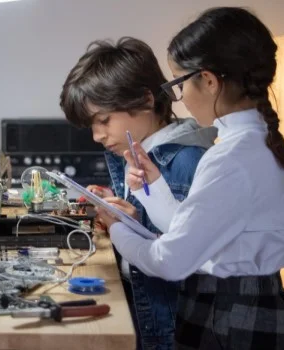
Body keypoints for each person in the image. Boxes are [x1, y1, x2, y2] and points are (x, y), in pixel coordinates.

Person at [99, 7, 284, 349]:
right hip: (249, 311)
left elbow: (170, 261)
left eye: (179, 84)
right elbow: (198, 232)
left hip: (231, 320)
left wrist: (116, 227)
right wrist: (155, 189)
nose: (180, 99)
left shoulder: (231, 157)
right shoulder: (253, 143)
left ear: (208, 81)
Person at [59, 37, 217, 349]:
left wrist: (135, 228)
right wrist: (119, 208)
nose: (97, 135)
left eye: (103, 120)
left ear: (146, 100)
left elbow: (195, 262)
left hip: (173, 330)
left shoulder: (186, 161)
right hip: (148, 315)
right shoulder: (141, 152)